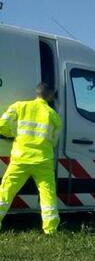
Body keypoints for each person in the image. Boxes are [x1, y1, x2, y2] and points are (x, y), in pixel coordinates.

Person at [0, 83, 62, 234]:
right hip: (43, 161)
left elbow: (2, 125)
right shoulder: (53, 115)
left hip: (20, 159)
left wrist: (12, 134)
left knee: (6, 191)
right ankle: (50, 230)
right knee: (48, 195)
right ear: (50, 95)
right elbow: (54, 141)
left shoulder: (20, 106)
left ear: (37, 92)